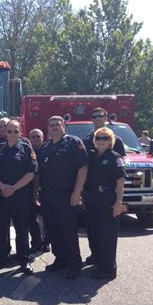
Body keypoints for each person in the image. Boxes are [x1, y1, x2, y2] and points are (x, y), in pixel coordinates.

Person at [37, 116, 88, 280]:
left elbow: (83, 168)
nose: (54, 127)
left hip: (66, 195)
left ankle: (74, 264)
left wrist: (77, 192)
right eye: (51, 125)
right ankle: (60, 259)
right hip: (48, 196)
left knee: (69, 231)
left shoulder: (74, 143)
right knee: (53, 230)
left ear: (64, 126)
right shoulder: (45, 146)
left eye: (57, 124)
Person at [0, 119, 37, 275]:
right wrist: (2, 187)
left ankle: (24, 260)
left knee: (22, 228)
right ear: (5, 132)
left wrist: (13, 188)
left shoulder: (26, 149)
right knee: (1, 227)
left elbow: (31, 173)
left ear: (20, 132)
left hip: (20, 195)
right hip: (1, 194)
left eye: (15, 131)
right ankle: (0, 258)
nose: (12, 134)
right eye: (9, 131)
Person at [83, 107, 125, 266]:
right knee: (92, 229)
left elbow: (120, 176)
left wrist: (119, 201)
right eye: (95, 116)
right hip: (91, 195)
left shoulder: (116, 142)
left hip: (107, 196)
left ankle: (107, 265)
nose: (101, 140)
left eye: (101, 115)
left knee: (106, 232)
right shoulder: (87, 141)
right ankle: (96, 256)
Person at [28, 128, 49, 256]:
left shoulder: (48, 151)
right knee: (32, 219)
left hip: (46, 190)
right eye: (33, 137)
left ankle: (46, 242)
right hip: (31, 189)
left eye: (38, 136)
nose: (36, 139)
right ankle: (35, 243)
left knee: (46, 218)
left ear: (43, 137)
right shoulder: (28, 151)